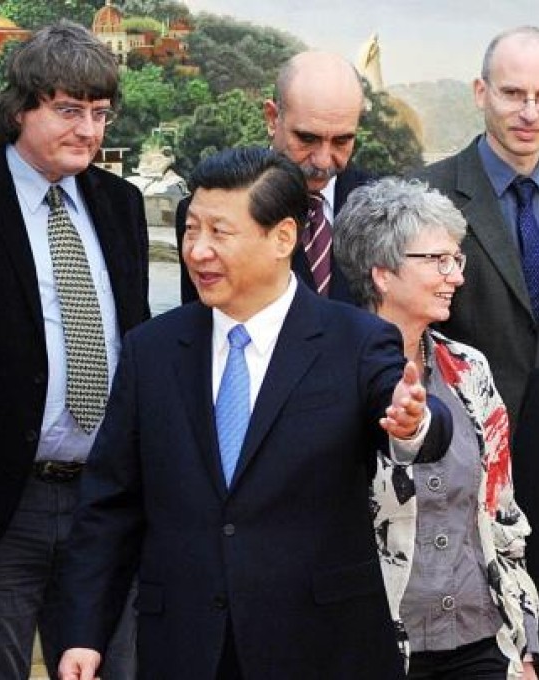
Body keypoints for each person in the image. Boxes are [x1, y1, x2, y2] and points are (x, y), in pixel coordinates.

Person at [57, 147, 452, 680]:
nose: (198, 250)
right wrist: (83, 633)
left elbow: (409, 415)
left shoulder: (353, 340)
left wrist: (412, 423)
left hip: (320, 647)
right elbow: (109, 506)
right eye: (192, 229)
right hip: (185, 645)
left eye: (220, 232)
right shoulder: (153, 350)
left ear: (282, 238)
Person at [0, 19, 148, 679]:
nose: (89, 131)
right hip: (3, 507)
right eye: (69, 110)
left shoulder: (120, 203)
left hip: (106, 498)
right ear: (19, 109)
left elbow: (137, 347)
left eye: (100, 114)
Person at [332, 177, 539, 679]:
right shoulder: (326, 372)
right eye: (438, 260)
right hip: (375, 646)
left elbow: (503, 517)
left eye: (457, 259)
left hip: (481, 639)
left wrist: (526, 644)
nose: (456, 276)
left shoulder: (469, 369)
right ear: (382, 273)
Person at [416, 27, 539, 431]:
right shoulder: (425, 195)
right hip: (468, 436)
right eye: (513, 94)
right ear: (480, 92)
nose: (530, 113)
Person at [175, 50, 371, 304]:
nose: (323, 160)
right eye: (307, 139)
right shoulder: (207, 211)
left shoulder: (385, 208)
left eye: (342, 141)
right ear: (272, 118)